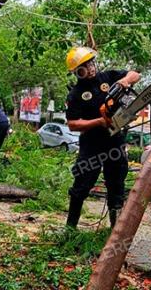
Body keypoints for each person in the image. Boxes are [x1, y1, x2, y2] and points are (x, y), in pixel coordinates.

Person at [63, 46, 140, 228]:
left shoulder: (108, 77)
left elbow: (135, 74)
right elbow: (73, 124)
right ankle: (70, 227)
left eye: (90, 64)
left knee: (116, 184)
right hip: (92, 145)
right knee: (81, 185)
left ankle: (115, 230)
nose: (89, 68)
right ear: (77, 72)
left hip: (115, 141)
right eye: (84, 67)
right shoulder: (75, 94)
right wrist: (99, 122)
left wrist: (125, 81)